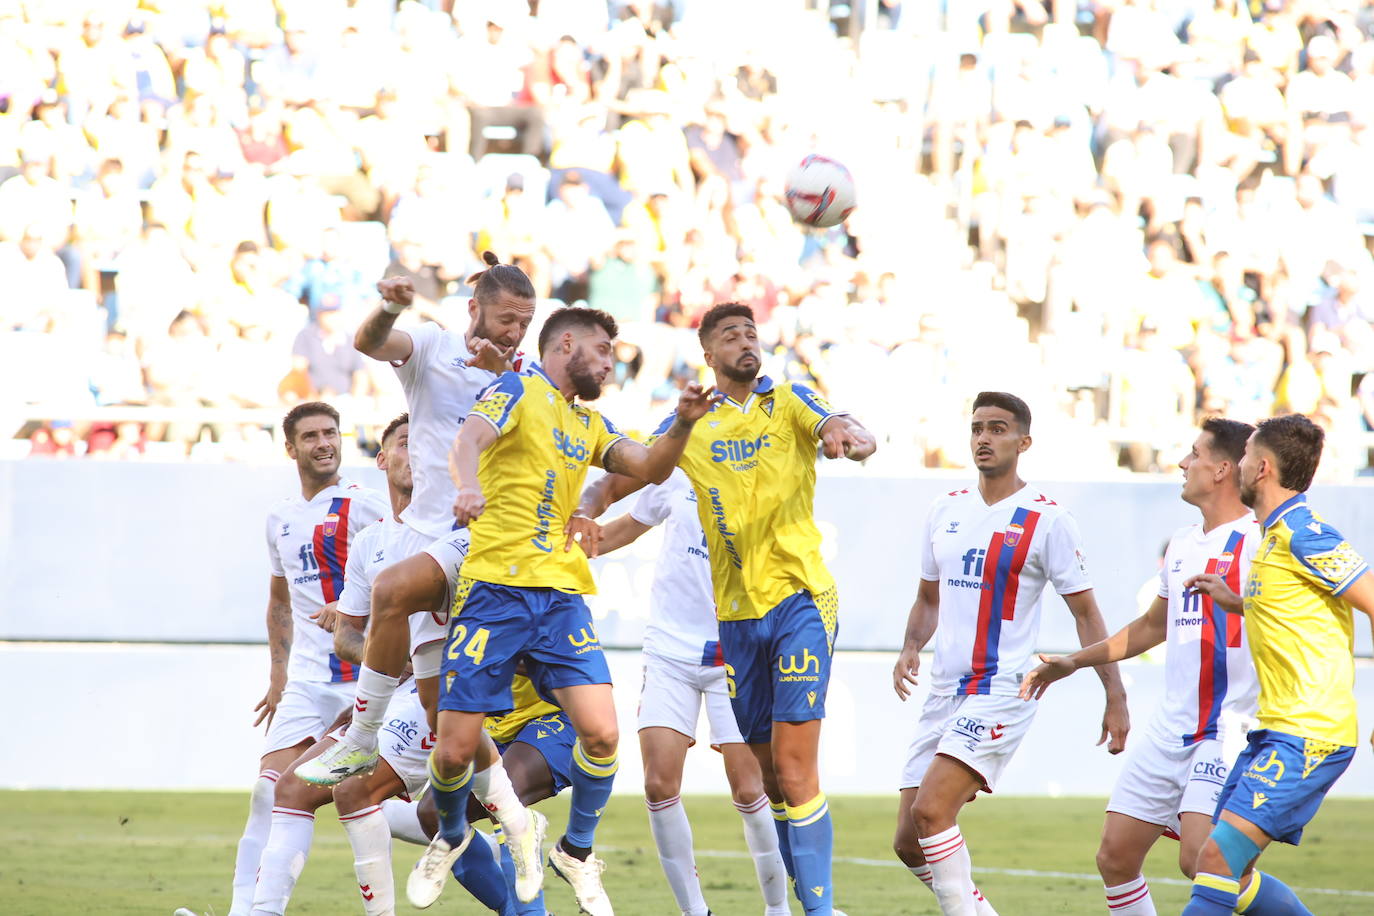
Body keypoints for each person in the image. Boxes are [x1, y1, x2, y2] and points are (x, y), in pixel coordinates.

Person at [574, 302, 878, 916]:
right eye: (730, 335)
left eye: (751, 332)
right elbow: (624, 476)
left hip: (799, 600)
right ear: (708, 355)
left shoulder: (789, 400)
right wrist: (584, 510)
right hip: (734, 621)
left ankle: (813, 911)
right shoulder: (688, 427)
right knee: (769, 777)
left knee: (792, 768)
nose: (746, 341)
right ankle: (782, 901)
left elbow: (840, 423)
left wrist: (853, 437)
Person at [413, 306, 717, 916]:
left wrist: (682, 424)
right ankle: (448, 837)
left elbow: (650, 466)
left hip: (559, 597)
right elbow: (468, 440)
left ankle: (576, 849)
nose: (609, 364)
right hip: (495, 591)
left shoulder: (590, 423)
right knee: (452, 754)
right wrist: (468, 485)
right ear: (568, 344)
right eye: (603, 351)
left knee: (602, 734)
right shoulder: (516, 390)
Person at [295, 256, 546, 896]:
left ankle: (361, 734)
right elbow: (370, 341)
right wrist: (389, 305)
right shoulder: (433, 348)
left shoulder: (527, 375)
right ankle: (518, 822)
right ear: (474, 309)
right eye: (507, 318)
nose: (515, 331)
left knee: (391, 589)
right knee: (446, 722)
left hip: (488, 539)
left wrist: (507, 375)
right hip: (436, 538)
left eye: (525, 321)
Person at [889, 391, 1130, 916]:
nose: (984, 438)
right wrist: (910, 646)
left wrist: (1115, 695)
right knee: (909, 842)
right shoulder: (945, 509)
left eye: (997, 429)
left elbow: (1087, 614)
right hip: (944, 691)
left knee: (932, 812)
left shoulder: (1049, 520)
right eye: (977, 428)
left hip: (1002, 689)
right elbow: (928, 597)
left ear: (1024, 443)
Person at [1019, 418, 1261, 915]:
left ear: (1221, 469)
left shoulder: (1260, 543)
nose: (1182, 463)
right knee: (1115, 857)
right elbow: (1153, 625)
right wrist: (1074, 661)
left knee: (1201, 860)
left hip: (1228, 728)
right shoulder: (1183, 544)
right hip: (1170, 728)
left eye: (1194, 454)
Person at [1176, 414, 1374, 915]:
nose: (1238, 465)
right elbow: (1297, 608)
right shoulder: (1273, 535)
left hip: (1309, 734)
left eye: (1244, 457)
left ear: (1262, 468)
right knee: (1225, 868)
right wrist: (1237, 602)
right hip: (1276, 729)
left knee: (1217, 859)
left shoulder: (1306, 534)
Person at [591, 467, 789, 916]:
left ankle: (778, 909)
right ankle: (694, 911)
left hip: (734, 653)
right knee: (658, 784)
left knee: (749, 788)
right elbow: (627, 526)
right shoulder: (677, 470)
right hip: (668, 650)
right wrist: (570, 543)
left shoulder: (765, 474)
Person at [223, 402, 388, 916]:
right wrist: (278, 674)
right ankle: (244, 911)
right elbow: (280, 599)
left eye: (331, 433)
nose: (324, 444)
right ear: (290, 448)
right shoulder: (280, 518)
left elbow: (403, 575)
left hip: (364, 676)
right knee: (267, 792)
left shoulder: (364, 504)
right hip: (307, 682)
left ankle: (465, 836)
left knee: (383, 805)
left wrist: (354, 607)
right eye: (311, 436)